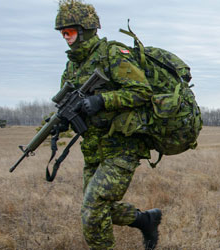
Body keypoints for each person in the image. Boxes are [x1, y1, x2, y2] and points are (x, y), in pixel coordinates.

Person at [55, 1, 161, 249]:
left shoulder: (113, 54)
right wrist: (59, 122)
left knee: (92, 211)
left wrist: (103, 99)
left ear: (86, 30)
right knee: (98, 209)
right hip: (93, 150)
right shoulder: (72, 67)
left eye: (69, 32)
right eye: (63, 34)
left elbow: (142, 91)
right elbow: (67, 107)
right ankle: (146, 220)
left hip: (121, 148)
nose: (66, 39)